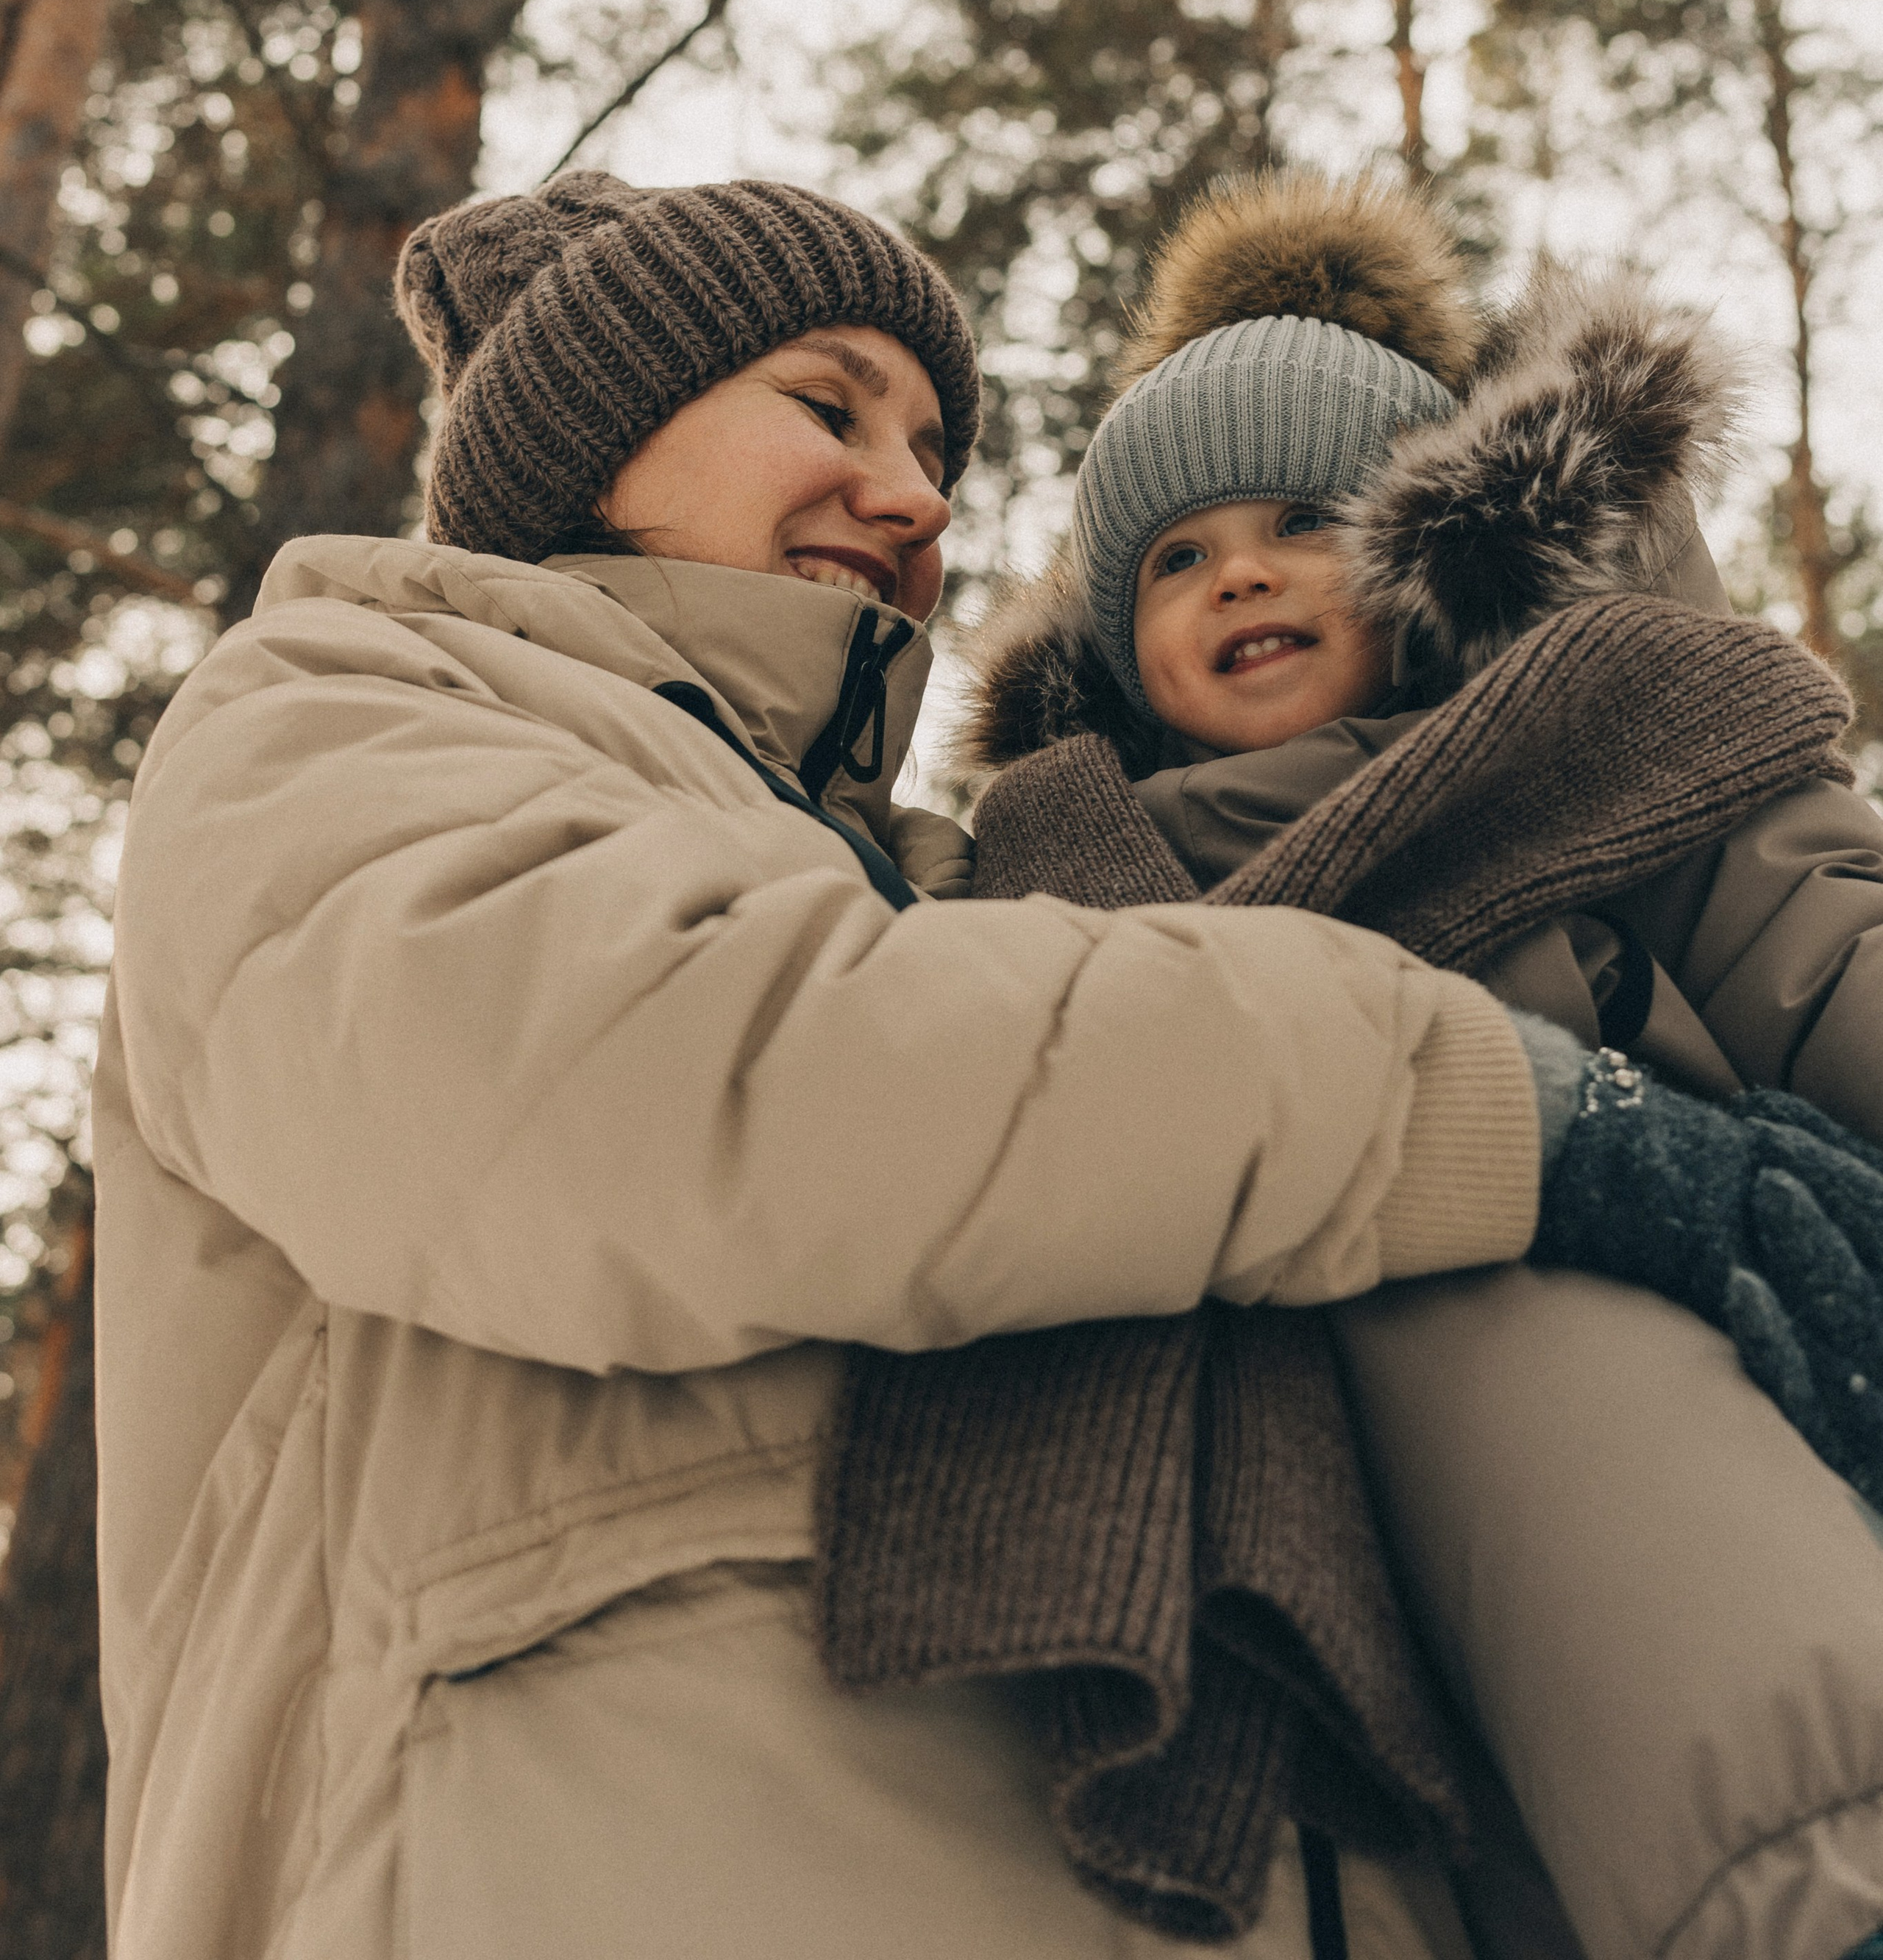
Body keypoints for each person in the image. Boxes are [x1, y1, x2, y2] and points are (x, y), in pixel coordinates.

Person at [97, 171, 1883, 1960]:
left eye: (932, 440)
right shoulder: (353, 705)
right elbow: (692, 1073)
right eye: (827, 403)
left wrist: (1552, 560)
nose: (915, 491)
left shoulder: (961, 872)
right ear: (596, 440)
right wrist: (1513, 1107)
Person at [961, 164, 1883, 1955]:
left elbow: (1822, 952)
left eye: (1296, 518)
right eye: (1170, 556)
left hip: (1689, 1400)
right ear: (1120, 657)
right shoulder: (1070, 871)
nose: (1233, 568)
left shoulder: (1592, 747)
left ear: (1419, 556)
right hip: (1295, 1550)